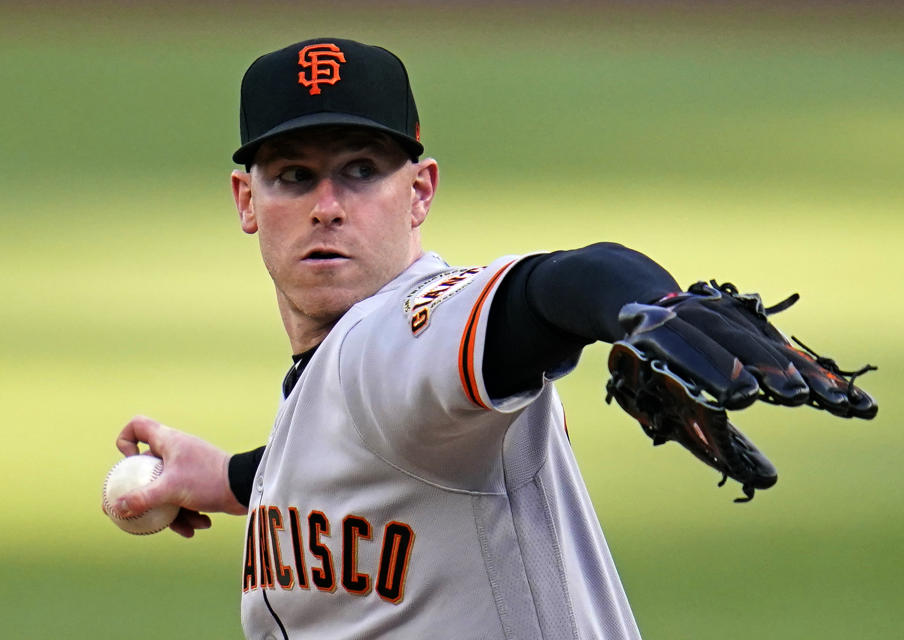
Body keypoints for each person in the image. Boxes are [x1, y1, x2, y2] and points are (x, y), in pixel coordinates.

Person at [107, 38, 873, 640]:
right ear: (249, 200)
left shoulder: (398, 335)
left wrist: (644, 304)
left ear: (421, 192)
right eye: (295, 176)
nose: (329, 205)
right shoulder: (351, 388)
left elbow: (555, 285)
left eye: (362, 170)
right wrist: (236, 478)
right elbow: (358, 458)